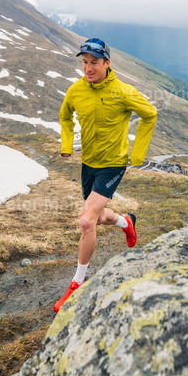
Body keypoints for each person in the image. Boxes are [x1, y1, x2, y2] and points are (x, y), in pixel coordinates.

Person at [54, 37, 158, 312]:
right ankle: (126, 222)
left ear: (107, 63)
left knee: (87, 222)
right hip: (89, 163)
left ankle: (76, 285)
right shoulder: (76, 90)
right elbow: (64, 116)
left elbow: (149, 114)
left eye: (94, 63)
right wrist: (66, 144)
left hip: (113, 163)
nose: (88, 68)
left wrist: (137, 155)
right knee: (99, 217)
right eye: (85, 63)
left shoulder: (122, 91)